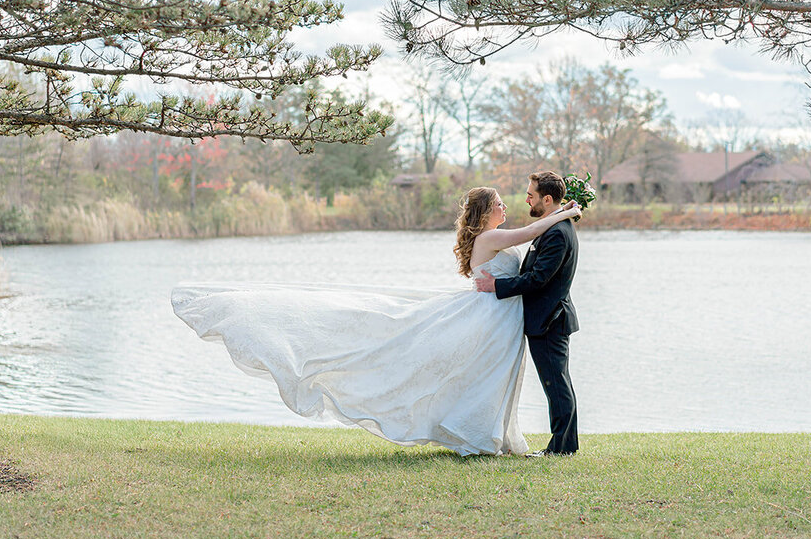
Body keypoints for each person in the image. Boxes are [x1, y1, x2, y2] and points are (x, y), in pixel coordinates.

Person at [171, 187, 580, 456]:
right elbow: (530, 231)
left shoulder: (491, 235)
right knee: (472, 372)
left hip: (499, 320)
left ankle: (488, 433)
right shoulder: (491, 238)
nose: (507, 207)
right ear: (485, 211)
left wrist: (560, 213)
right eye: (499, 205)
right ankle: (476, 433)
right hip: (489, 318)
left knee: (485, 376)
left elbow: (526, 235)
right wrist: (566, 212)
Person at [475, 171, 579, 456]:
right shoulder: (553, 227)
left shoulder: (558, 233)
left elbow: (538, 279)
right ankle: (564, 445)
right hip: (544, 319)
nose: (526, 200)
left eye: (531, 195)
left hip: (550, 320)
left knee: (556, 384)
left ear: (547, 199)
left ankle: (561, 448)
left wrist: (497, 285)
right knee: (557, 383)